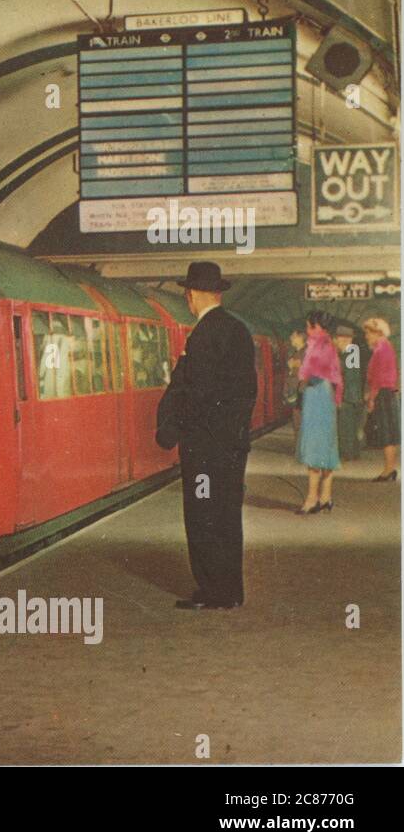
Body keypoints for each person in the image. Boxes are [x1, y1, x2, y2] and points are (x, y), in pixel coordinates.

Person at [163, 262, 256, 611]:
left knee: (203, 514)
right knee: (227, 516)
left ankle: (213, 591)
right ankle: (230, 590)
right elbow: (248, 390)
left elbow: (197, 393)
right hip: (232, 445)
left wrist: (180, 428)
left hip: (205, 448)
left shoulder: (202, 334)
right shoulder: (238, 330)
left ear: (192, 295)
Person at [294, 311, 341, 514]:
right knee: (326, 447)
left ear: (317, 327)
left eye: (308, 326)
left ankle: (312, 499)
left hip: (317, 396)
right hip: (325, 395)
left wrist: (302, 377)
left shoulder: (319, 345)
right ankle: (326, 496)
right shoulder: (328, 344)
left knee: (314, 446)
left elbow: (315, 373)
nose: (307, 330)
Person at [362, 317, 399, 481]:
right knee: (389, 432)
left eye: (368, 333)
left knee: (386, 432)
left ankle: (388, 471)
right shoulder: (386, 347)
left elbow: (378, 378)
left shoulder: (381, 350)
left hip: (383, 394)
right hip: (388, 393)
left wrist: (371, 398)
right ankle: (389, 469)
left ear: (378, 333)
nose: (366, 336)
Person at [334, 325, 364, 462]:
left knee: (346, 426)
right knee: (350, 426)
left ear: (345, 339)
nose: (337, 342)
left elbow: (350, 377)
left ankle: (348, 454)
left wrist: (342, 396)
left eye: (339, 339)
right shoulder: (350, 352)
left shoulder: (351, 352)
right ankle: (352, 453)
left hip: (349, 396)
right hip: (351, 395)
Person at [284, 329, 306, 436]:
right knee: (297, 426)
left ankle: (303, 452)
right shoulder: (295, 353)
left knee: (300, 426)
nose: (291, 338)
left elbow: (305, 374)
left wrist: (294, 367)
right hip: (295, 395)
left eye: (293, 336)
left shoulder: (305, 353)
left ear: (300, 337)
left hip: (301, 394)